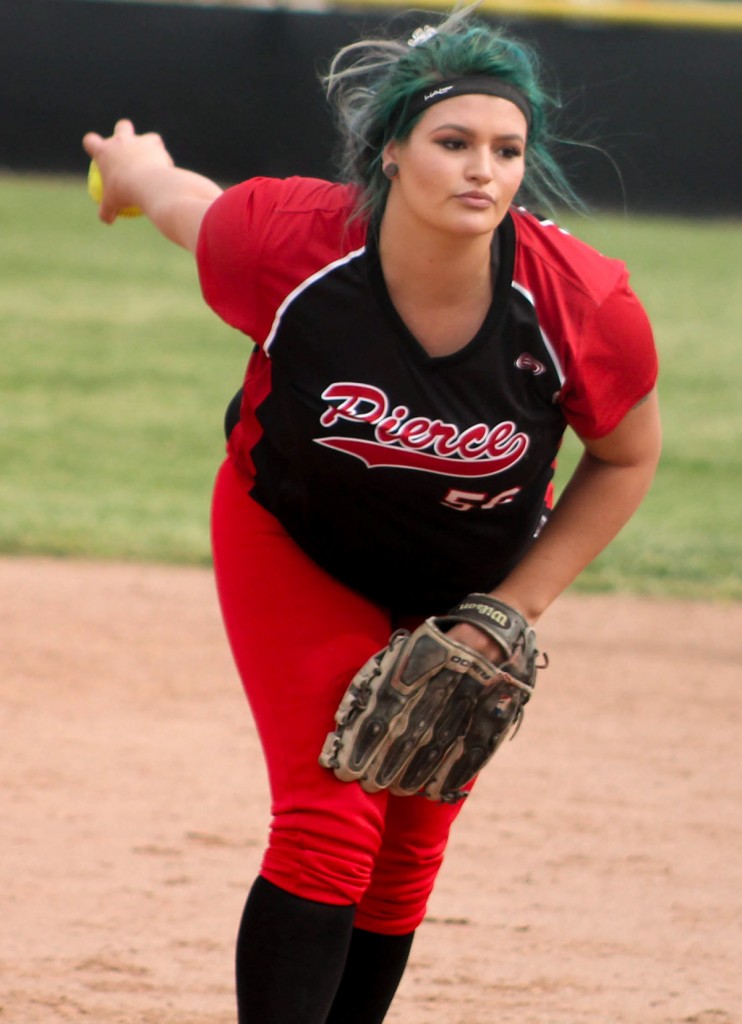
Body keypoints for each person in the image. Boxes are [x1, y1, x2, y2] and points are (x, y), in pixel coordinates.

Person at [82, 7, 661, 1022]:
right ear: (390, 152)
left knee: (407, 848)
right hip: (296, 538)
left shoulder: (584, 304)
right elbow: (188, 205)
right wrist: (135, 169)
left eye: (506, 148)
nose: (482, 168)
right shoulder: (288, 245)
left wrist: (506, 610)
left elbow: (625, 455)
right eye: (452, 142)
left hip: (464, 581)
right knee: (328, 823)